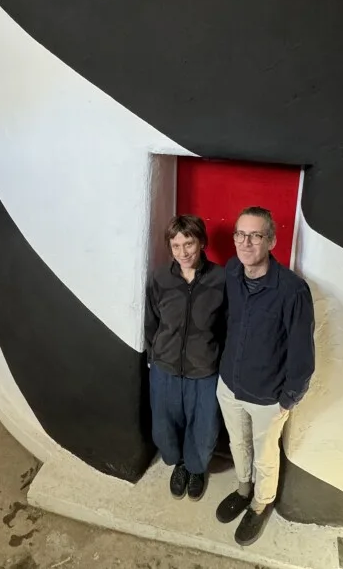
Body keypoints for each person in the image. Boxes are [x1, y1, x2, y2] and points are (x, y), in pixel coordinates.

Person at [215, 206, 315, 546]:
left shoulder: (292, 291)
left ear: (270, 240)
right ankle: (243, 490)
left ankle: (260, 504)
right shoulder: (231, 271)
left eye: (255, 235)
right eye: (240, 234)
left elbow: (303, 356)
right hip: (229, 385)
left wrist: (287, 400)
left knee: (265, 454)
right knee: (237, 443)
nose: (246, 242)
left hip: (268, 397)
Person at [144, 214, 227, 501]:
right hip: (164, 367)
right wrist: (155, 355)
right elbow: (151, 320)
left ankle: (196, 468)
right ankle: (179, 464)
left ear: (201, 243)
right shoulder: (159, 278)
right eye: (176, 246)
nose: (183, 252)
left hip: (204, 368)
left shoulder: (221, 279)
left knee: (203, 426)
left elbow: (227, 325)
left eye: (188, 244)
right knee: (166, 423)